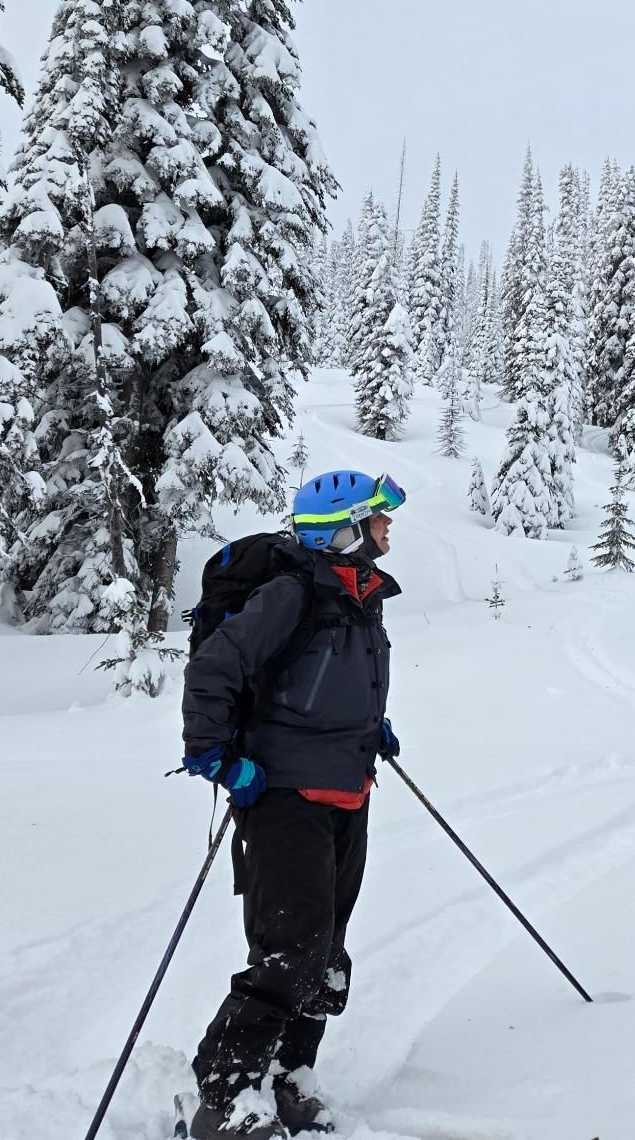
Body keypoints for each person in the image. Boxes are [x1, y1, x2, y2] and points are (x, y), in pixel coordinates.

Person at [179, 470, 407, 1139]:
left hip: (347, 787)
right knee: (291, 954)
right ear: (344, 530)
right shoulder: (292, 592)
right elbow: (214, 667)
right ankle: (222, 1100)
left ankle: (288, 1077)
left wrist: (370, 726)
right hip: (283, 793)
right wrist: (213, 752)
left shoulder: (360, 594)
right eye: (377, 517)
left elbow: (325, 678)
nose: (388, 526)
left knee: (326, 953)